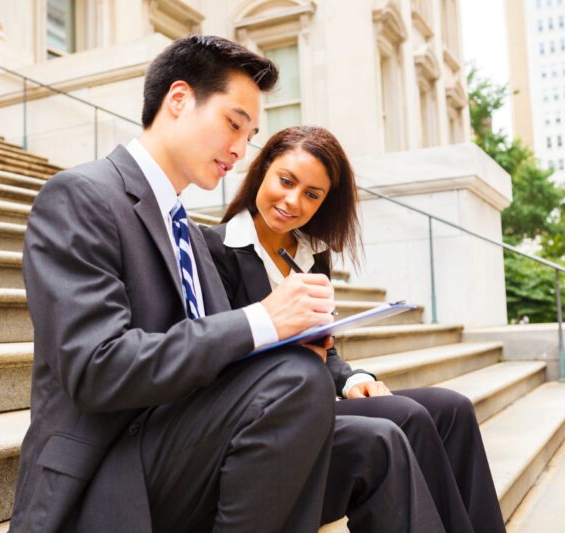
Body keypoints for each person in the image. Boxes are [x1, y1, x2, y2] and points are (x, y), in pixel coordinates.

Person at [10, 35, 440, 532]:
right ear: (178, 101)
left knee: (378, 443)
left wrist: (297, 340)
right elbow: (96, 368)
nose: (240, 148)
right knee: (294, 383)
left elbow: (220, 365)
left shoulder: (187, 233)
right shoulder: (82, 196)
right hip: (110, 470)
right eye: (233, 124)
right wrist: (263, 320)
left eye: (249, 132)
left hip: (186, 444)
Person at [203, 125, 507, 533]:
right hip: (268, 412)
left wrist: (352, 379)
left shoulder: (312, 256)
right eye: (286, 181)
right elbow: (216, 349)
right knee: (408, 416)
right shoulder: (214, 250)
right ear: (262, 172)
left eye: (312, 194)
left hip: (317, 395)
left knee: (453, 408)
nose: (293, 201)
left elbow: (324, 350)